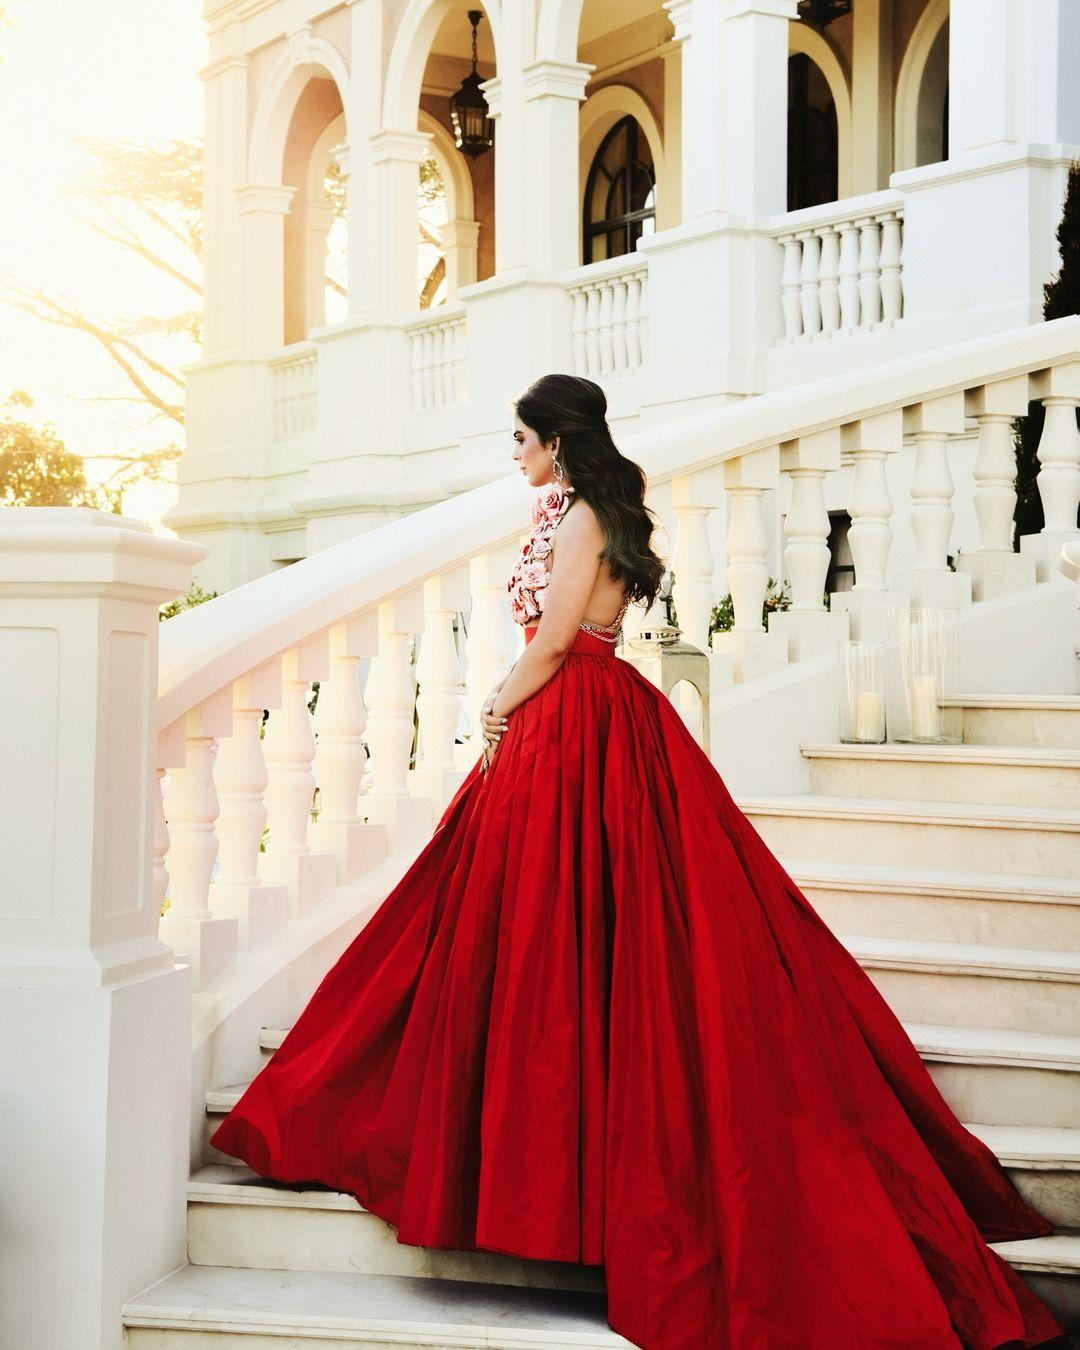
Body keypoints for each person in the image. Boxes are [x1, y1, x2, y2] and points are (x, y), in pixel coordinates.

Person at [210, 374, 1068, 1349]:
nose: (515, 453)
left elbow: (563, 636)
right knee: (503, 921)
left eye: (522, 438)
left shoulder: (580, 523)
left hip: (572, 717)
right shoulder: (583, 512)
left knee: (556, 928)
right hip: (585, 719)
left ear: (558, 442)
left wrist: (497, 697)